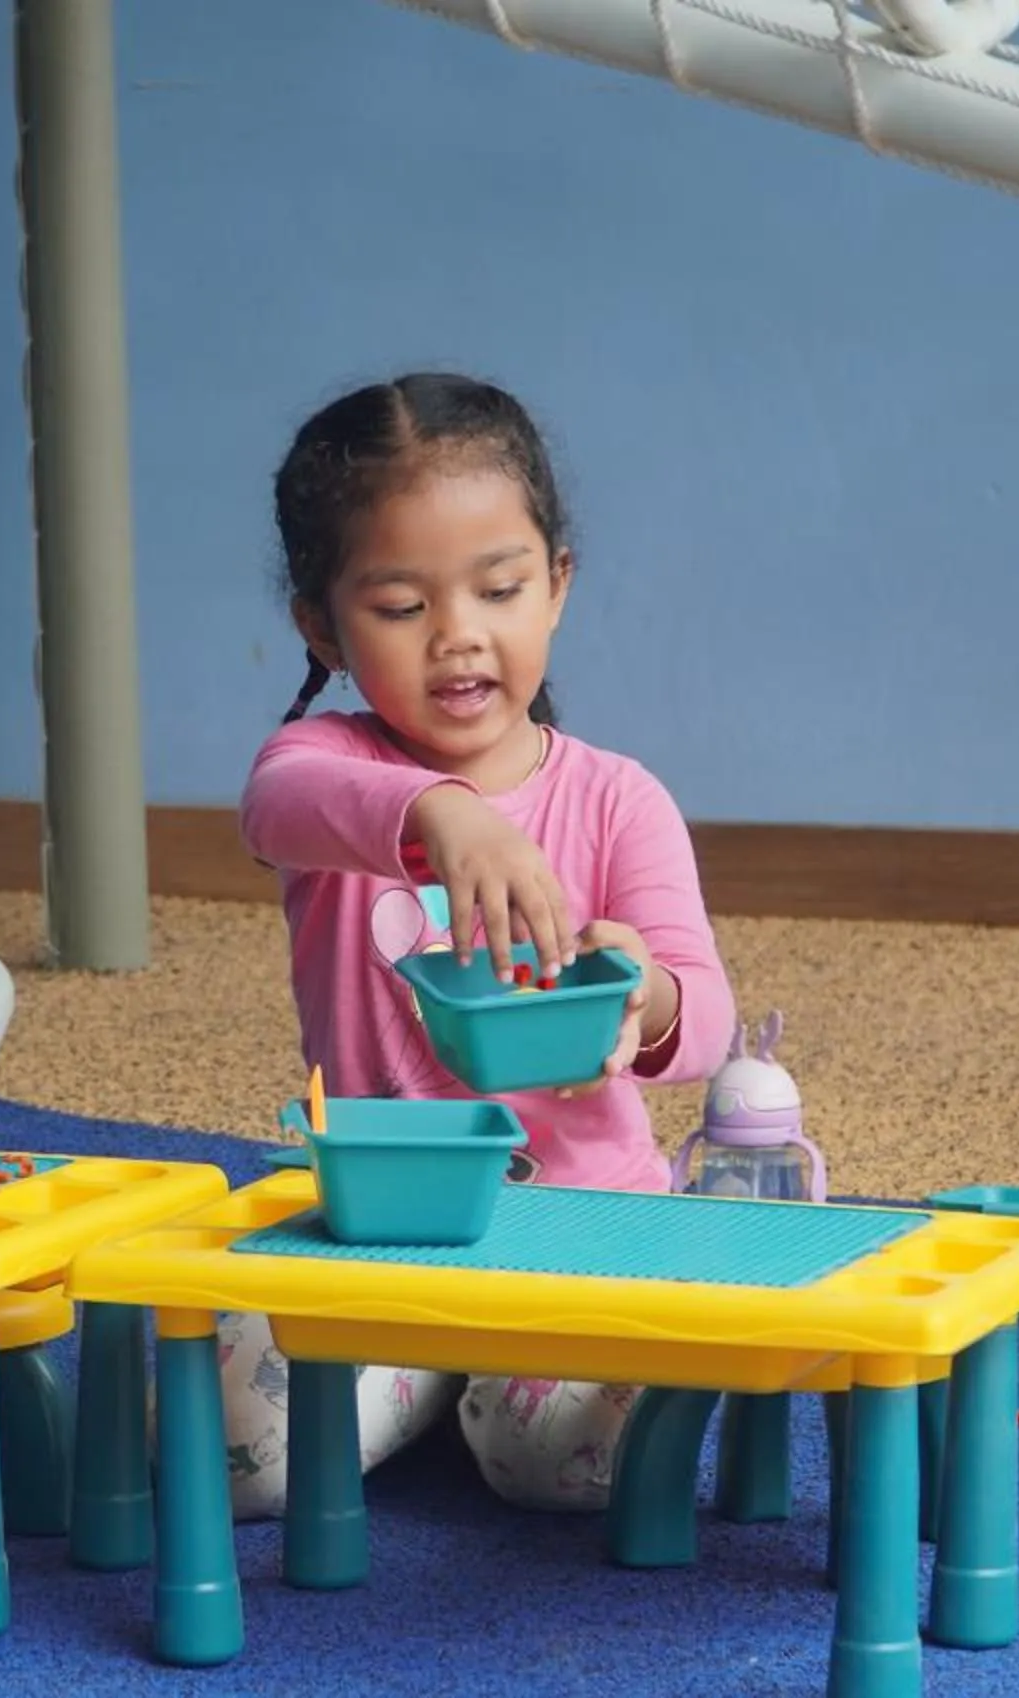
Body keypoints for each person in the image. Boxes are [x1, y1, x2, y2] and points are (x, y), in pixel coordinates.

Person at [225, 370, 738, 1517]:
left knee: (570, 1469)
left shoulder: (617, 800)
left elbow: (706, 1016)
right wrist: (440, 813)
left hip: (580, 1226)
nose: (460, 637)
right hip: (370, 1232)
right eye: (403, 609)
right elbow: (277, 807)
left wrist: (643, 997)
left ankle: (505, 1401)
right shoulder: (327, 774)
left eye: (498, 590)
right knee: (237, 1458)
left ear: (555, 589)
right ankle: (418, 1393)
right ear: (322, 623)